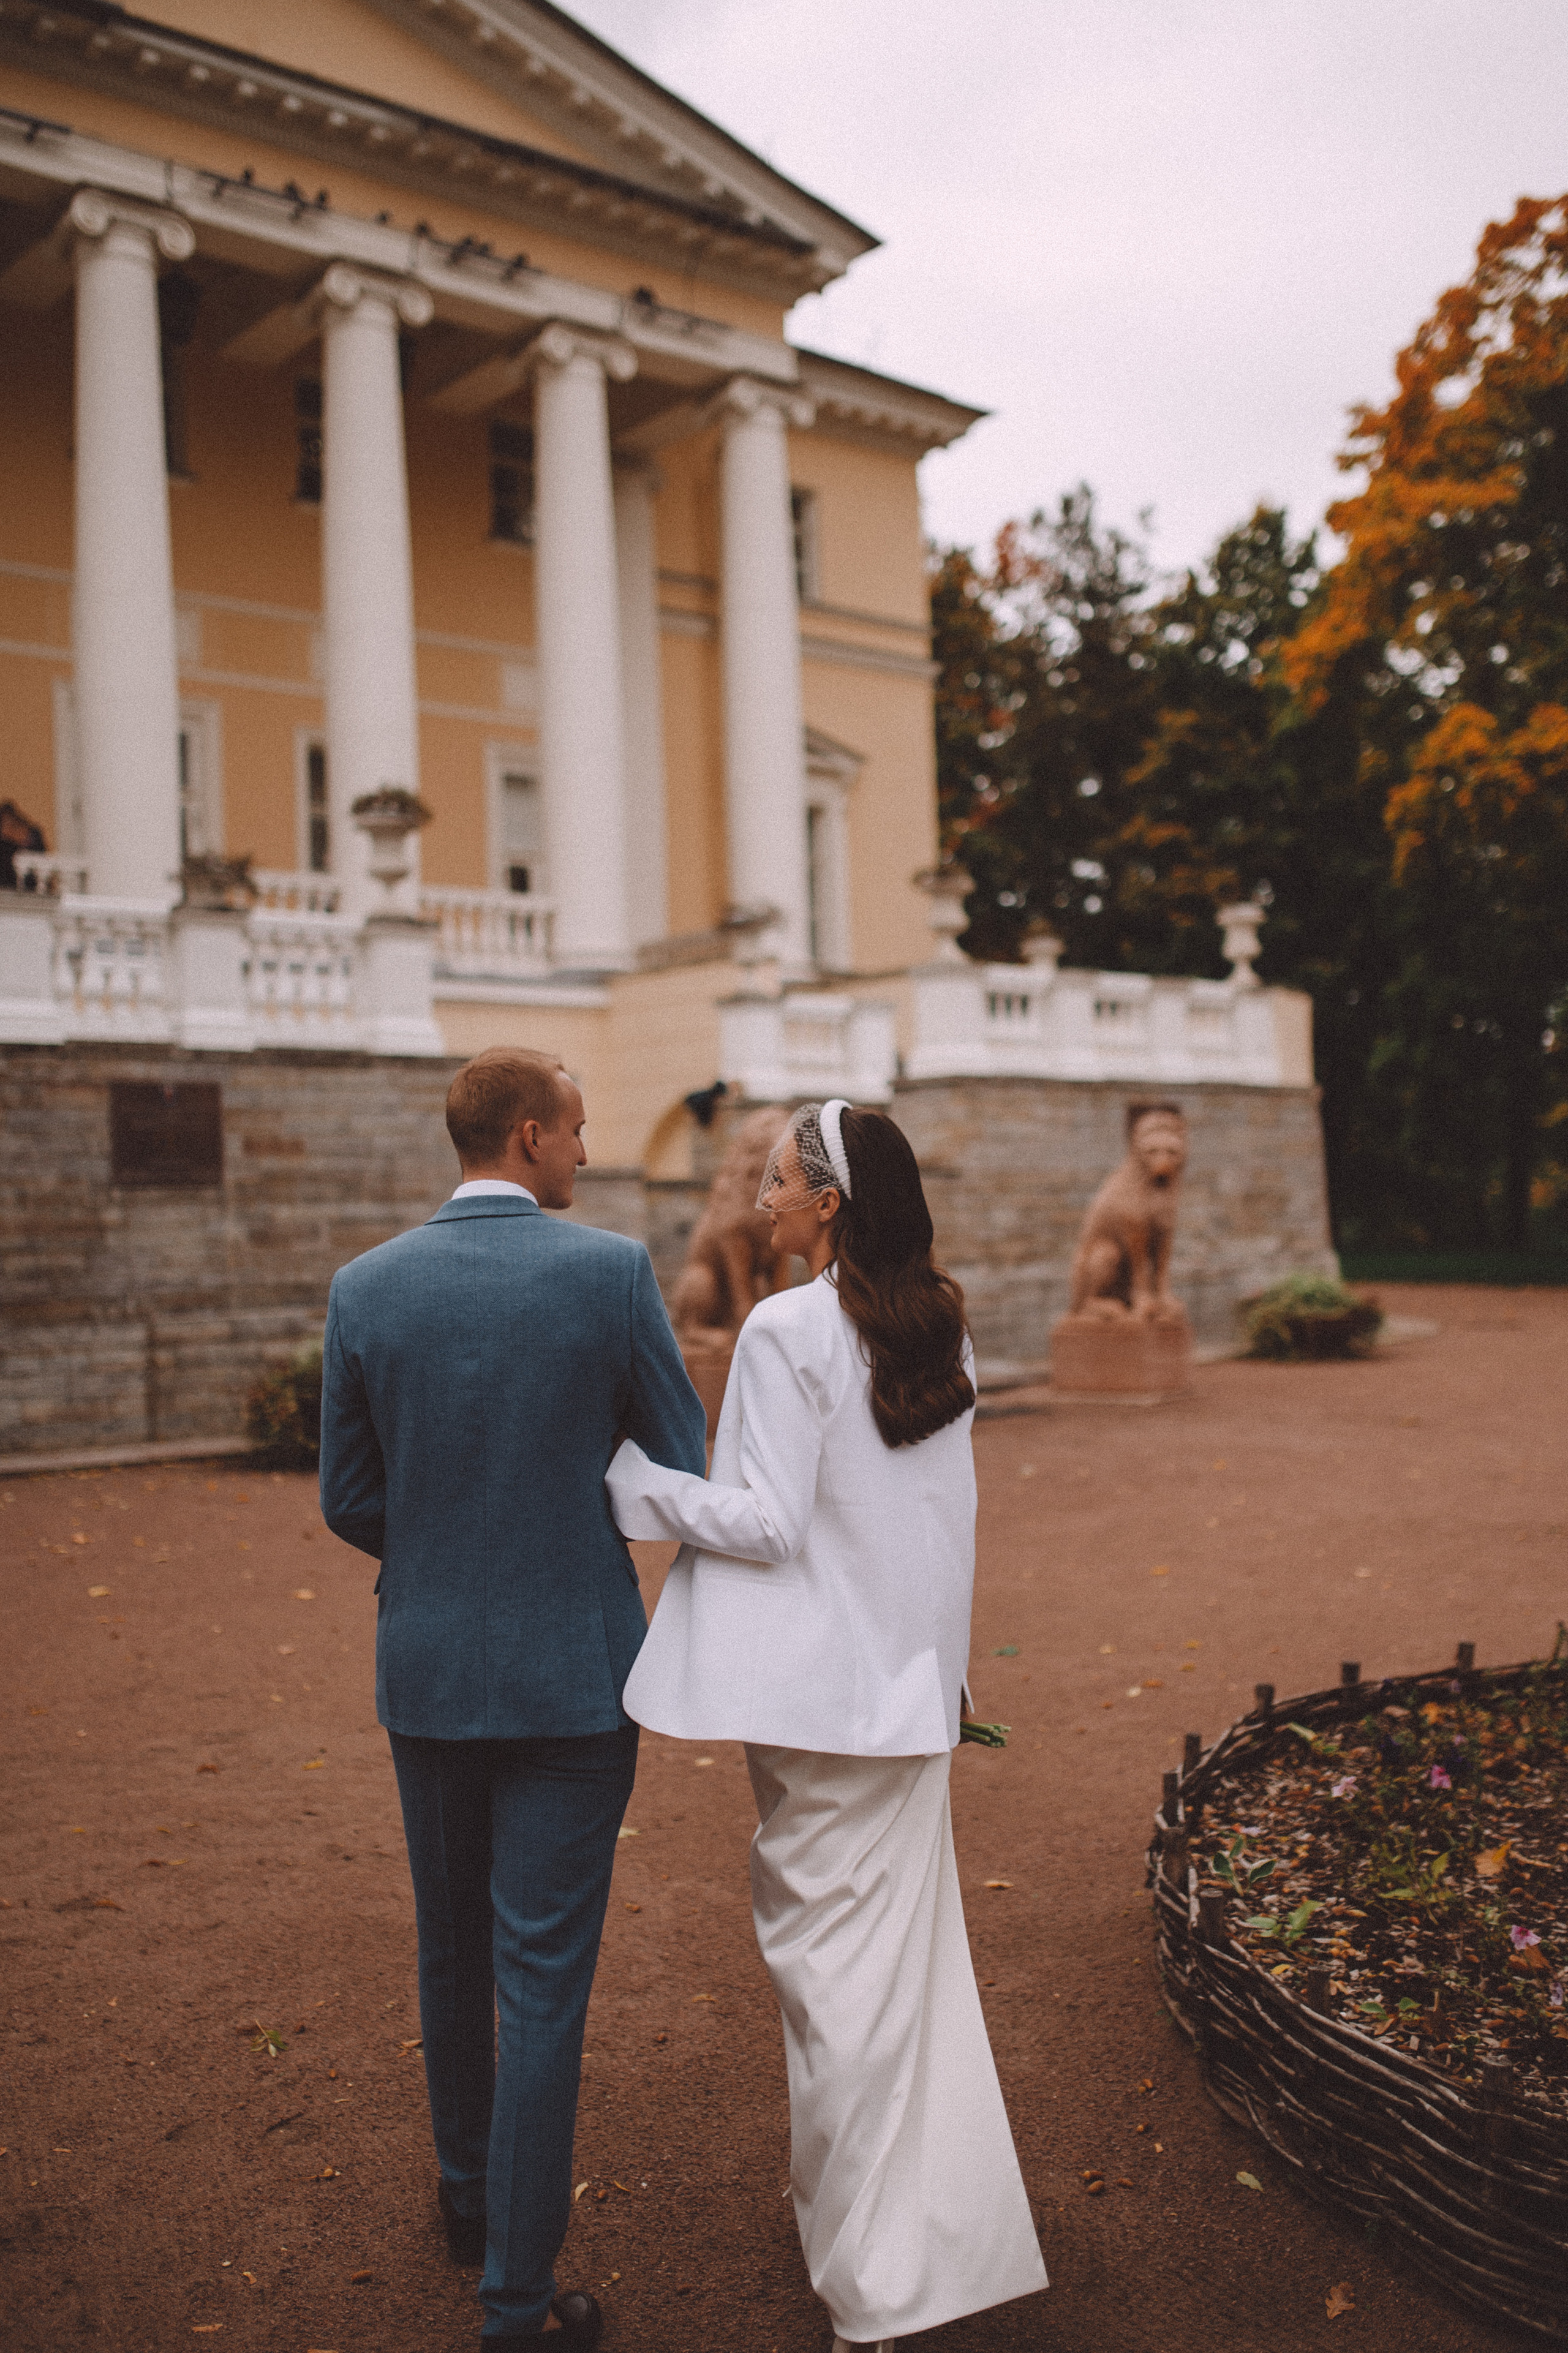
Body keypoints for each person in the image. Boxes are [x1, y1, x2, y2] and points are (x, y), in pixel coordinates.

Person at [606, 1099, 1047, 2353]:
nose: (759, 1199)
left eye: (777, 1179)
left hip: (810, 1709)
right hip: (907, 1707)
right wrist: (944, 1682)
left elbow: (765, 1522)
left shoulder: (788, 1326)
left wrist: (629, 1481)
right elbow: (944, 1525)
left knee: (834, 1991)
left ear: (829, 1204)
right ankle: (929, 2244)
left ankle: (871, 2280)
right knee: (903, 1984)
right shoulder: (938, 1326)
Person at [318, 1046, 706, 2348]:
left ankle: (467, 2196)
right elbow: (681, 1457)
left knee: (449, 1947)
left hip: (426, 1665)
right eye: (581, 1132)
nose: (588, 1154)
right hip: (574, 1672)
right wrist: (557, 1528)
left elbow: (348, 1497)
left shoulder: (365, 1286)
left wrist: (449, 1551)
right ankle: (517, 2302)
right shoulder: (606, 1273)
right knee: (542, 1979)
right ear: (529, 1135)